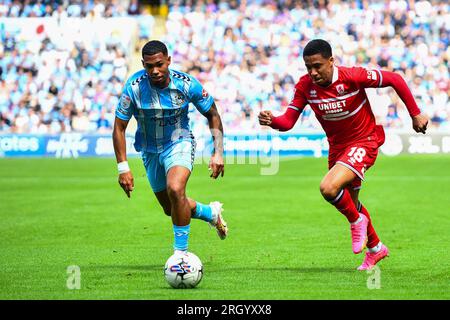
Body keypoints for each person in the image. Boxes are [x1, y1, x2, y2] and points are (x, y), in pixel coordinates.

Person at [258, 39, 428, 270]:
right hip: (338, 149)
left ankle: (357, 221)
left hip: (364, 141)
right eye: (308, 67)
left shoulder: (352, 76)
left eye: (317, 66)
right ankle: (377, 248)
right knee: (351, 202)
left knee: (328, 188)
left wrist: (415, 114)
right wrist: (273, 120)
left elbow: (395, 79)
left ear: (331, 61)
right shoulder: (305, 86)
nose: (313, 72)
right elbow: (288, 121)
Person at [113, 40, 228, 258]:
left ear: (168, 61)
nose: (154, 71)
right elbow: (119, 127)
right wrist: (123, 168)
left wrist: (218, 152)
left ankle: (181, 255)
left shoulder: (186, 84)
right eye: (149, 66)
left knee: (176, 189)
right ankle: (210, 212)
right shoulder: (134, 87)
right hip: (149, 151)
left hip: (179, 142)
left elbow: (212, 114)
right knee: (171, 208)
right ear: (143, 65)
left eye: (159, 64)